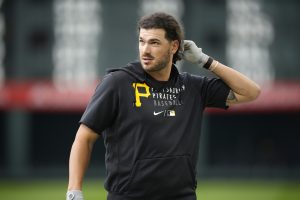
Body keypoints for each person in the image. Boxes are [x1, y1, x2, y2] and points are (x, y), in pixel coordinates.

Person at [66, 12, 261, 200]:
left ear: (174, 46)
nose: (145, 50)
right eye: (142, 41)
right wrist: (74, 192)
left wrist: (205, 61)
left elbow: (251, 92)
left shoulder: (193, 87)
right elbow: (84, 138)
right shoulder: (117, 83)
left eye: (154, 43)